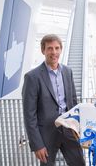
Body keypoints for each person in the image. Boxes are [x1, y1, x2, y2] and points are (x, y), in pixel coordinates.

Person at [22, 34, 85, 166]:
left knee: (79, 163)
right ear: (43, 50)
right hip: (46, 134)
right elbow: (29, 115)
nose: (54, 52)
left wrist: (79, 128)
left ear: (61, 49)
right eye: (50, 48)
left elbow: (73, 102)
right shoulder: (32, 77)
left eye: (57, 48)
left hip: (69, 129)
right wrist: (37, 144)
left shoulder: (68, 71)